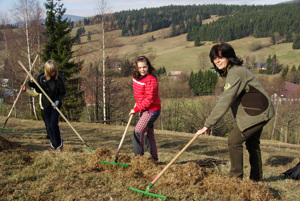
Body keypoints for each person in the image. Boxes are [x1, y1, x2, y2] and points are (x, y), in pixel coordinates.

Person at [196, 42, 275, 181]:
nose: (217, 61)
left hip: (258, 113)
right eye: (214, 58)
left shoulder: (236, 72)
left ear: (229, 57)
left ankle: (235, 179)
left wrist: (208, 124)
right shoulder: (230, 72)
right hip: (259, 111)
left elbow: (226, 100)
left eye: (221, 57)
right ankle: (256, 179)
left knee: (234, 140)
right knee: (252, 144)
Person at [28, 60, 66, 150]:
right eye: (50, 72)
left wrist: (57, 100)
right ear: (47, 71)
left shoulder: (59, 78)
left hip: (56, 104)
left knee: (53, 124)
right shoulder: (41, 77)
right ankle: (54, 145)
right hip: (46, 104)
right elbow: (39, 90)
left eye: (54, 71)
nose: (52, 73)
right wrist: (33, 85)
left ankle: (59, 144)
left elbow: (63, 92)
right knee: (48, 126)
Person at [129, 56, 161, 162]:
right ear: (136, 68)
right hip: (144, 109)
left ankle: (138, 158)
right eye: (140, 67)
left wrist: (136, 109)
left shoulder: (151, 79)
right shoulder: (137, 77)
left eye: (145, 67)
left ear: (148, 66)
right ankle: (154, 159)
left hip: (151, 110)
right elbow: (139, 92)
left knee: (138, 131)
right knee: (148, 134)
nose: (142, 70)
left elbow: (149, 99)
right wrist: (138, 103)